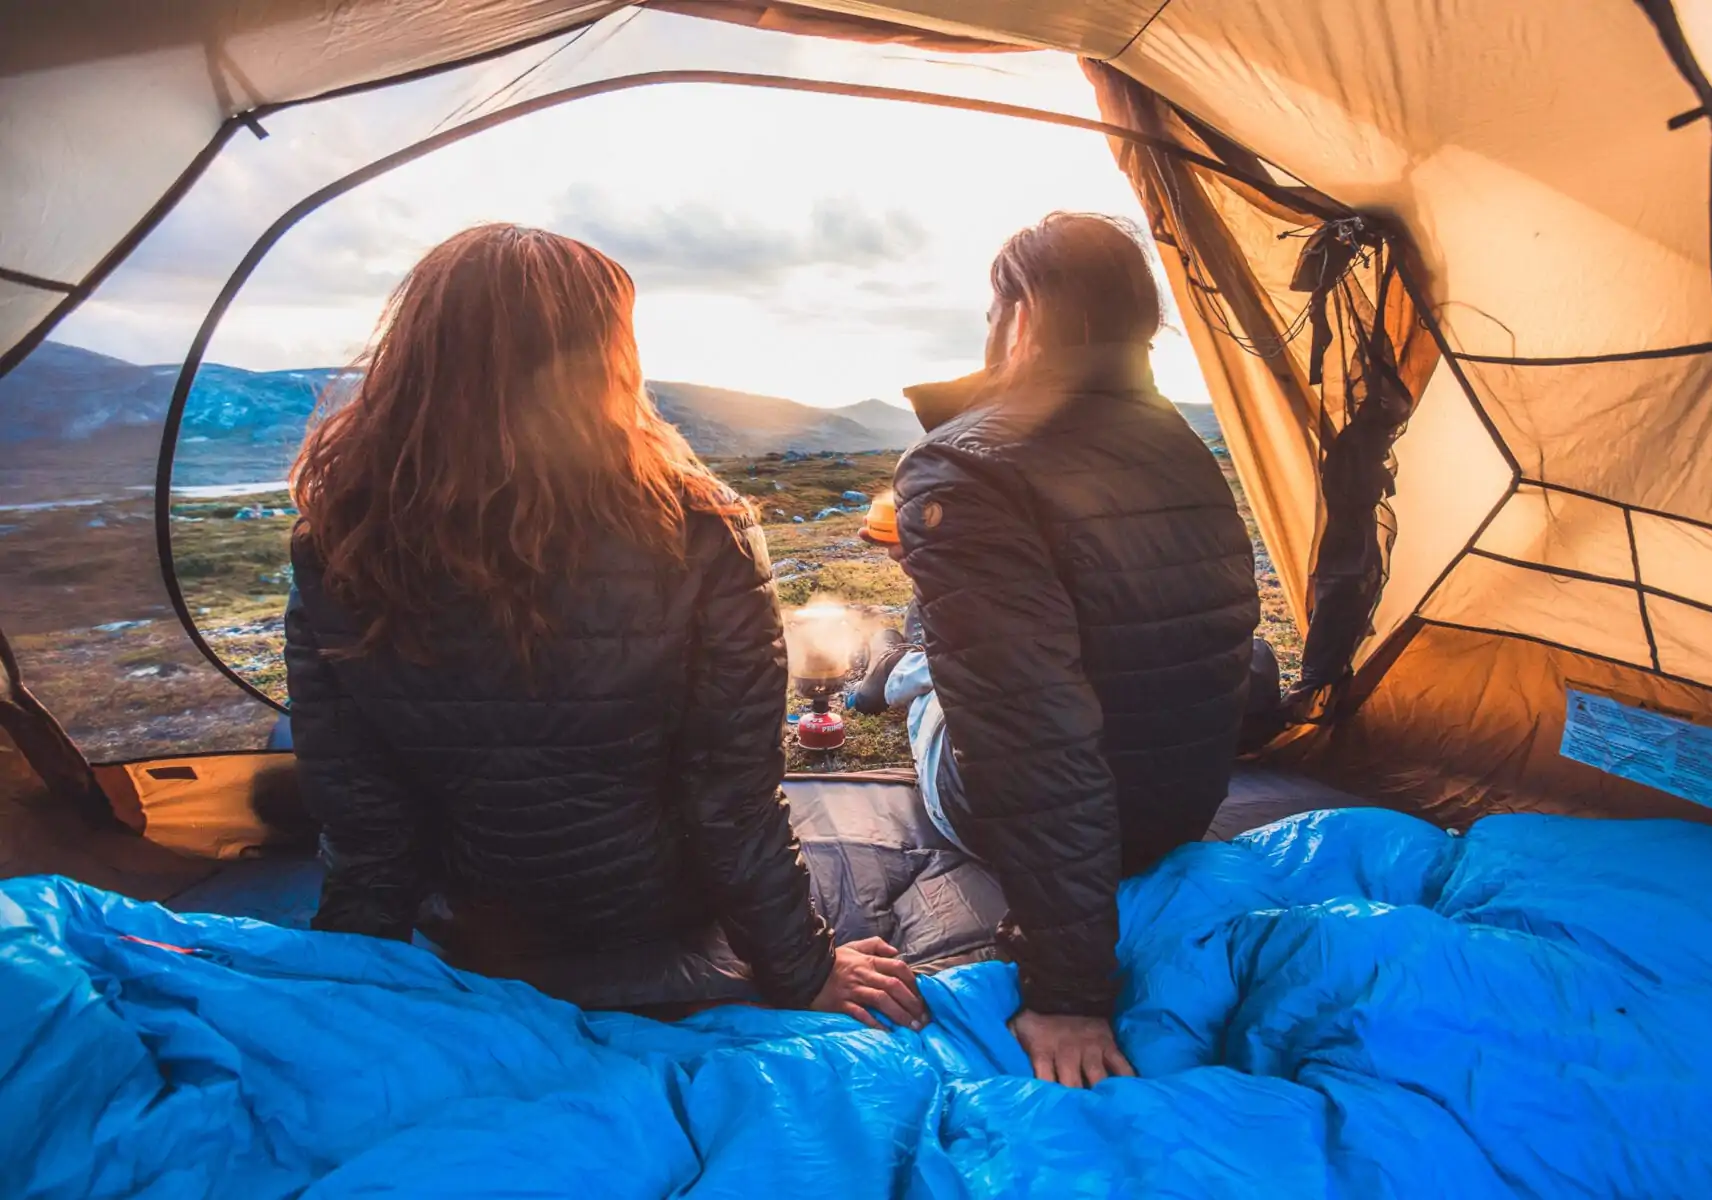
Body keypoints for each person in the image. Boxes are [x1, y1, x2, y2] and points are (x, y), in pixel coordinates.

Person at [284, 223, 922, 1030]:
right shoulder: (698, 526)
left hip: (478, 928)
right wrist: (804, 968)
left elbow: (360, 811)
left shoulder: (337, 537)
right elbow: (730, 797)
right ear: (605, 363)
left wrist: (353, 986)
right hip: (659, 917)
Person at [858, 213, 1259, 1086]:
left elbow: (1027, 733)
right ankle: (918, 657)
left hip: (1046, 820)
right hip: (1177, 806)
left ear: (1022, 312)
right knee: (996, 651)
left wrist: (1071, 990)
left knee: (939, 678)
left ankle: (901, 670)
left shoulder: (962, 466)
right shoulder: (1175, 437)